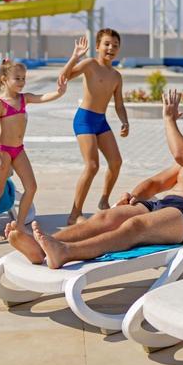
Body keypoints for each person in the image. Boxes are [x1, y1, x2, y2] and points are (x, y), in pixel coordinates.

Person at [5, 91, 183, 269]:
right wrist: (135, 195)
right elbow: (157, 182)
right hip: (164, 205)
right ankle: (43, 246)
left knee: (134, 228)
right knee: (106, 217)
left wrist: (169, 120)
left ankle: (65, 252)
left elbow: (181, 153)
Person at [0, 60, 68, 241]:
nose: (21, 82)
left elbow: (43, 97)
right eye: (17, 78)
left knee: (31, 187)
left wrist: (59, 92)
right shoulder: (0, 103)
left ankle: (19, 225)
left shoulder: (24, 98)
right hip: (4, 151)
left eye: (24, 78)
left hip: (18, 150)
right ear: (4, 79)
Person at [60, 30, 129, 224]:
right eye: (107, 44)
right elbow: (65, 76)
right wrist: (75, 57)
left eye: (115, 45)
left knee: (116, 162)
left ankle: (104, 201)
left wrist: (124, 121)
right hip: (85, 119)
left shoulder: (116, 76)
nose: (111, 48)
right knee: (92, 165)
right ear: (98, 46)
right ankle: (74, 214)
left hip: (101, 121)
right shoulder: (90, 64)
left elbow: (119, 104)